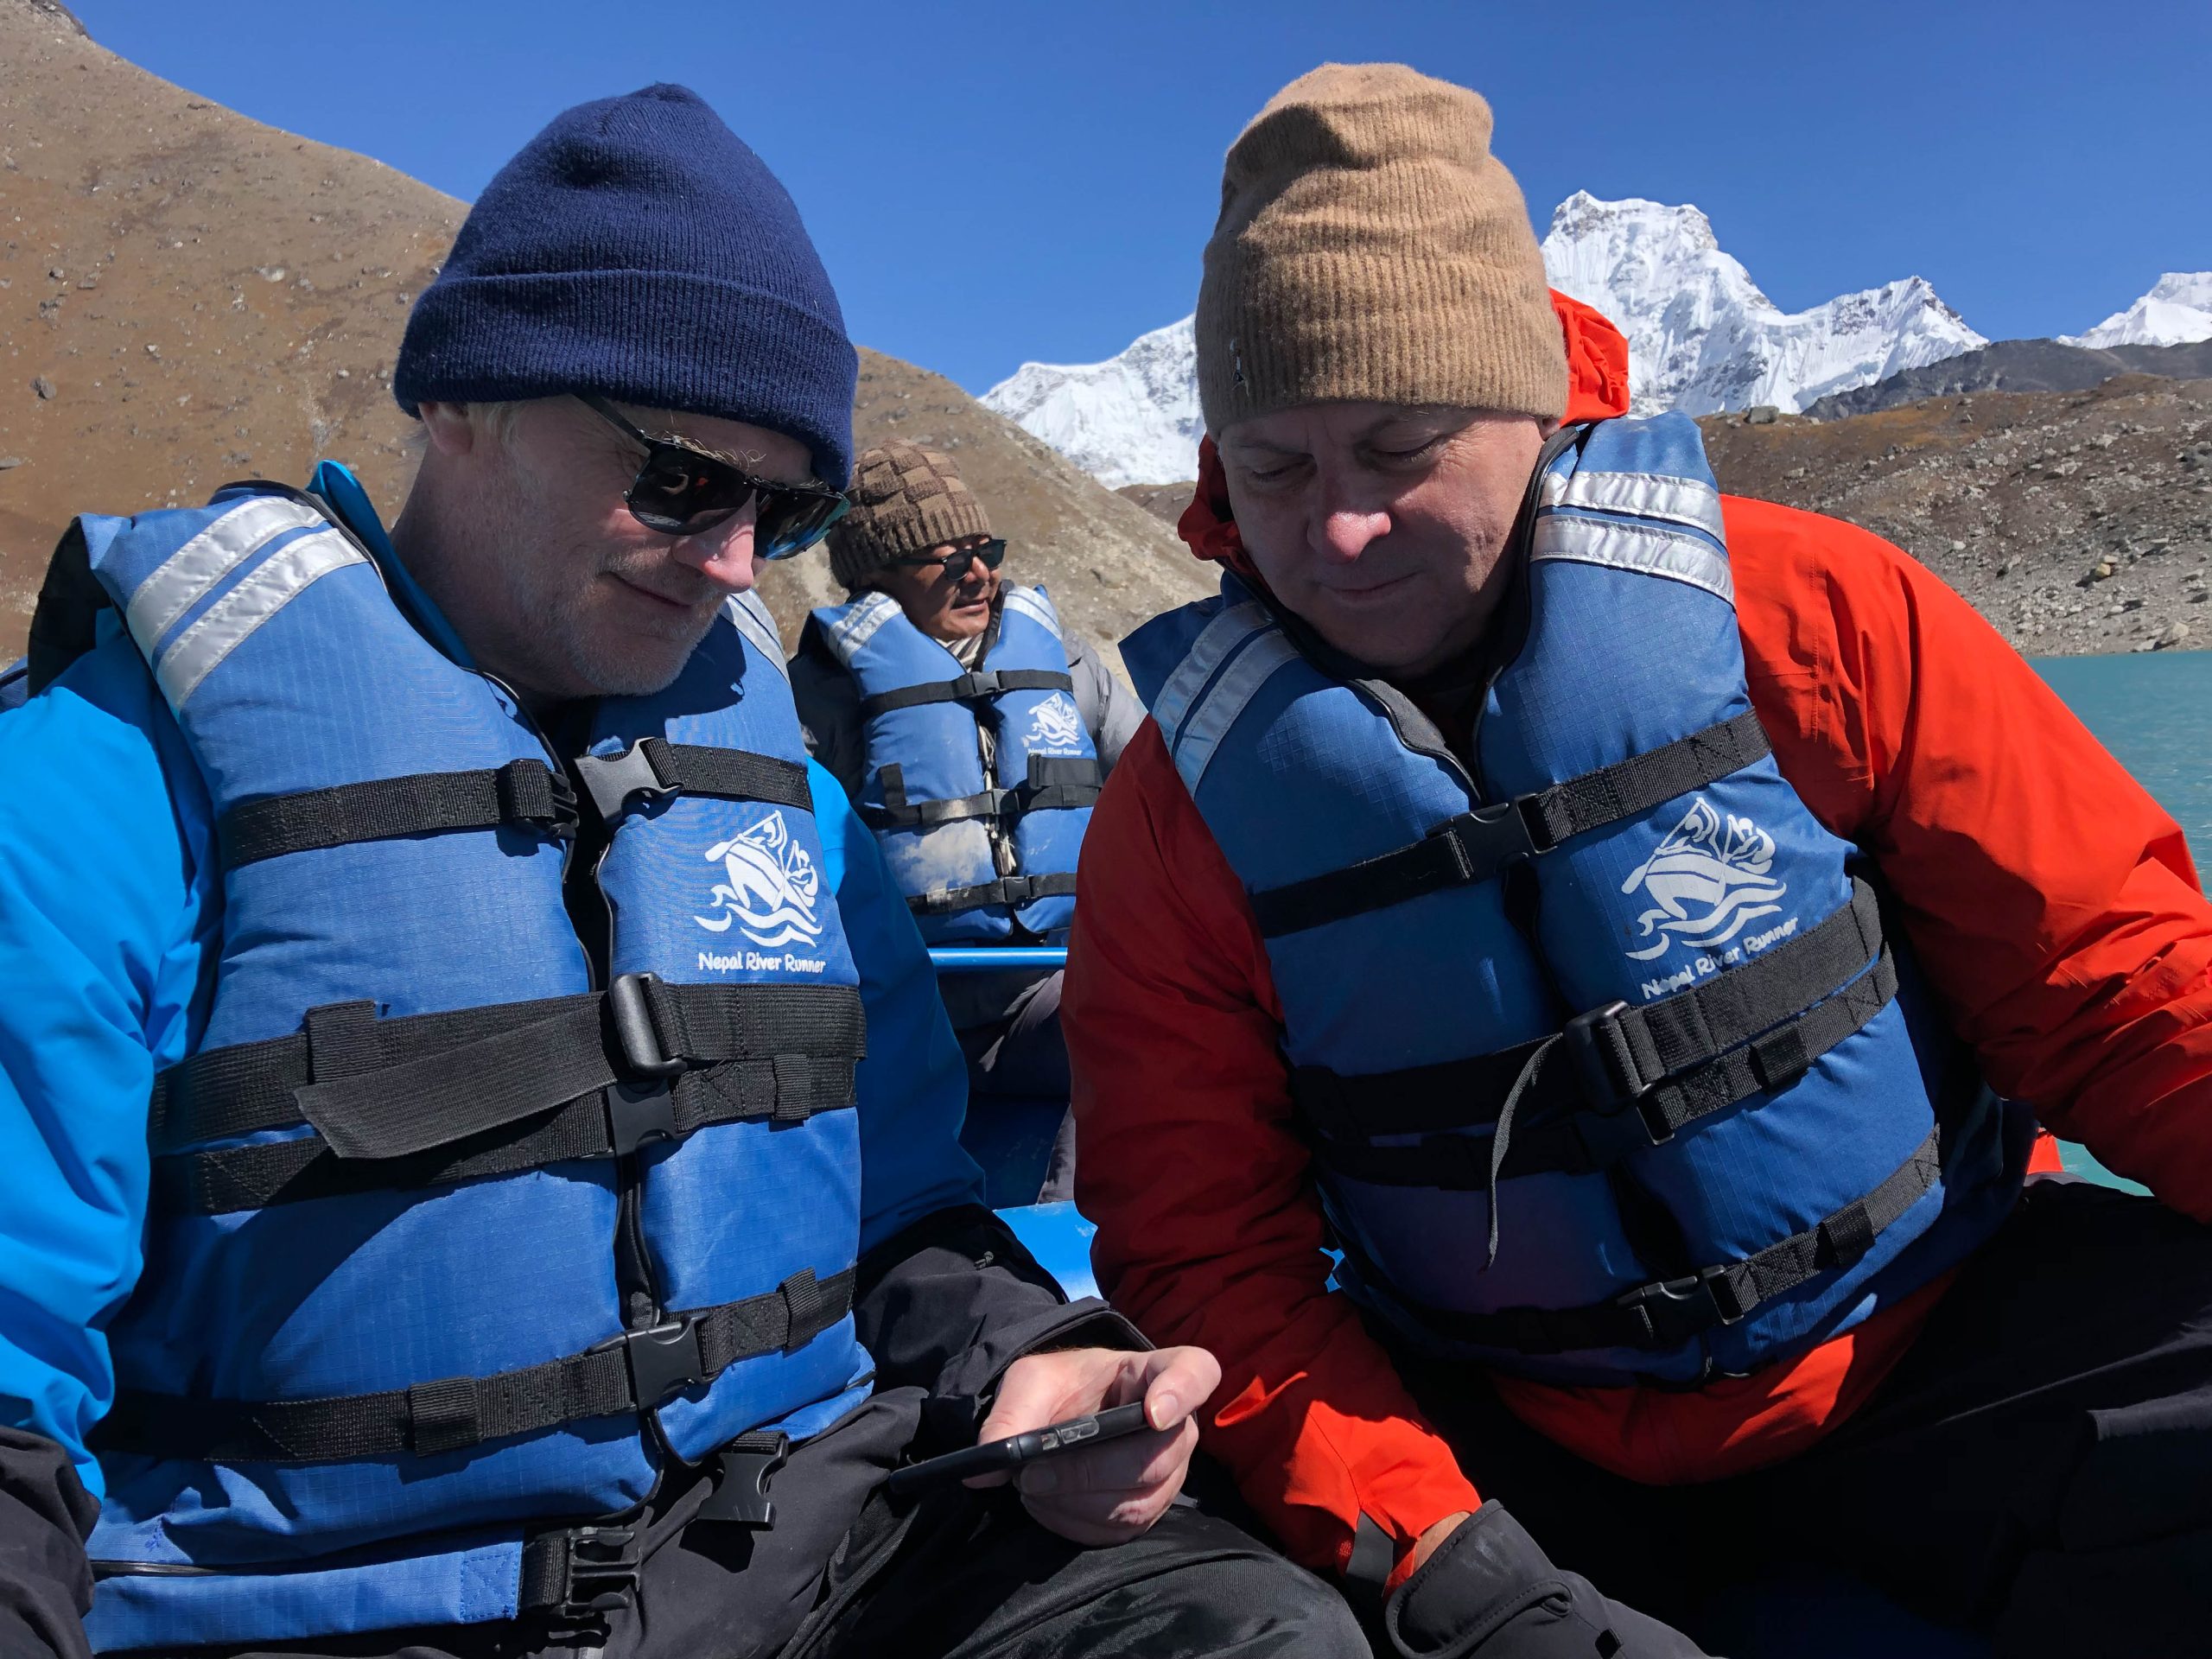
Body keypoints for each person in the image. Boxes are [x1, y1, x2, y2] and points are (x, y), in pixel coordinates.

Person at [0, 85, 1363, 1659]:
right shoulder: (101, 782)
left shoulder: (777, 790)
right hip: (340, 1607)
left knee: (1254, 1632)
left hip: (817, 1555)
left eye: (781, 512)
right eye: (681, 481)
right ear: (463, 398)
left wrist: (1026, 1358)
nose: (731, 564)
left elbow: (902, 1207)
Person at [1063, 61, 2212, 1659]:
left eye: (1398, 447)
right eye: (1274, 470)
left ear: (1532, 409)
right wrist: (1438, 1552)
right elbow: (1203, 1247)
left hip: (1934, 1342)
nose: (1336, 531)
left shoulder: (1816, 615)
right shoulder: (1177, 815)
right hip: (1506, 1442)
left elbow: (2113, 983)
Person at [790, 445, 1139, 1200]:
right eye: (946, 560)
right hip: (904, 1016)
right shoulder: (821, 697)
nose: (978, 574)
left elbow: (1166, 788)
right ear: (876, 580)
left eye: (986, 552)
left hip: (1047, 995)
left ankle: (1077, 1265)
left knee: (1133, 1028)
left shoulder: (1065, 668)